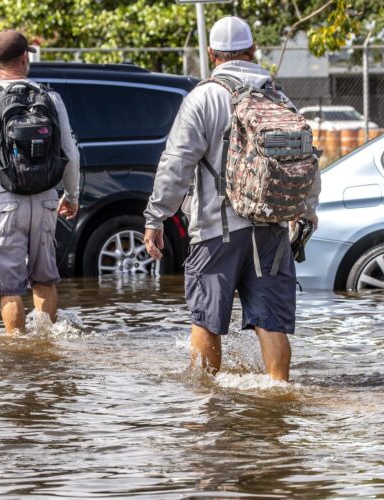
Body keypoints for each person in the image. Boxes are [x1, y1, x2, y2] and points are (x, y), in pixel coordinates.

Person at [143, 16, 320, 382]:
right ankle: (279, 395)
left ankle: (205, 402)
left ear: (211, 54)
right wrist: (306, 214)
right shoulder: (278, 97)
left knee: (206, 319)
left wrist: (156, 216)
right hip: (272, 229)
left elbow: (176, 163)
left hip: (216, 232)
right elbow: (307, 161)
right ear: (253, 50)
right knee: (270, 322)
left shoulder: (203, 98)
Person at [0, 29, 80, 334]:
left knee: (9, 286)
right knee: (44, 279)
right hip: (47, 199)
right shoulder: (51, 97)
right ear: (24, 57)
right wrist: (71, 196)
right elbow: (70, 154)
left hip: (4, 203)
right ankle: (46, 349)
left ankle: (17, 353)